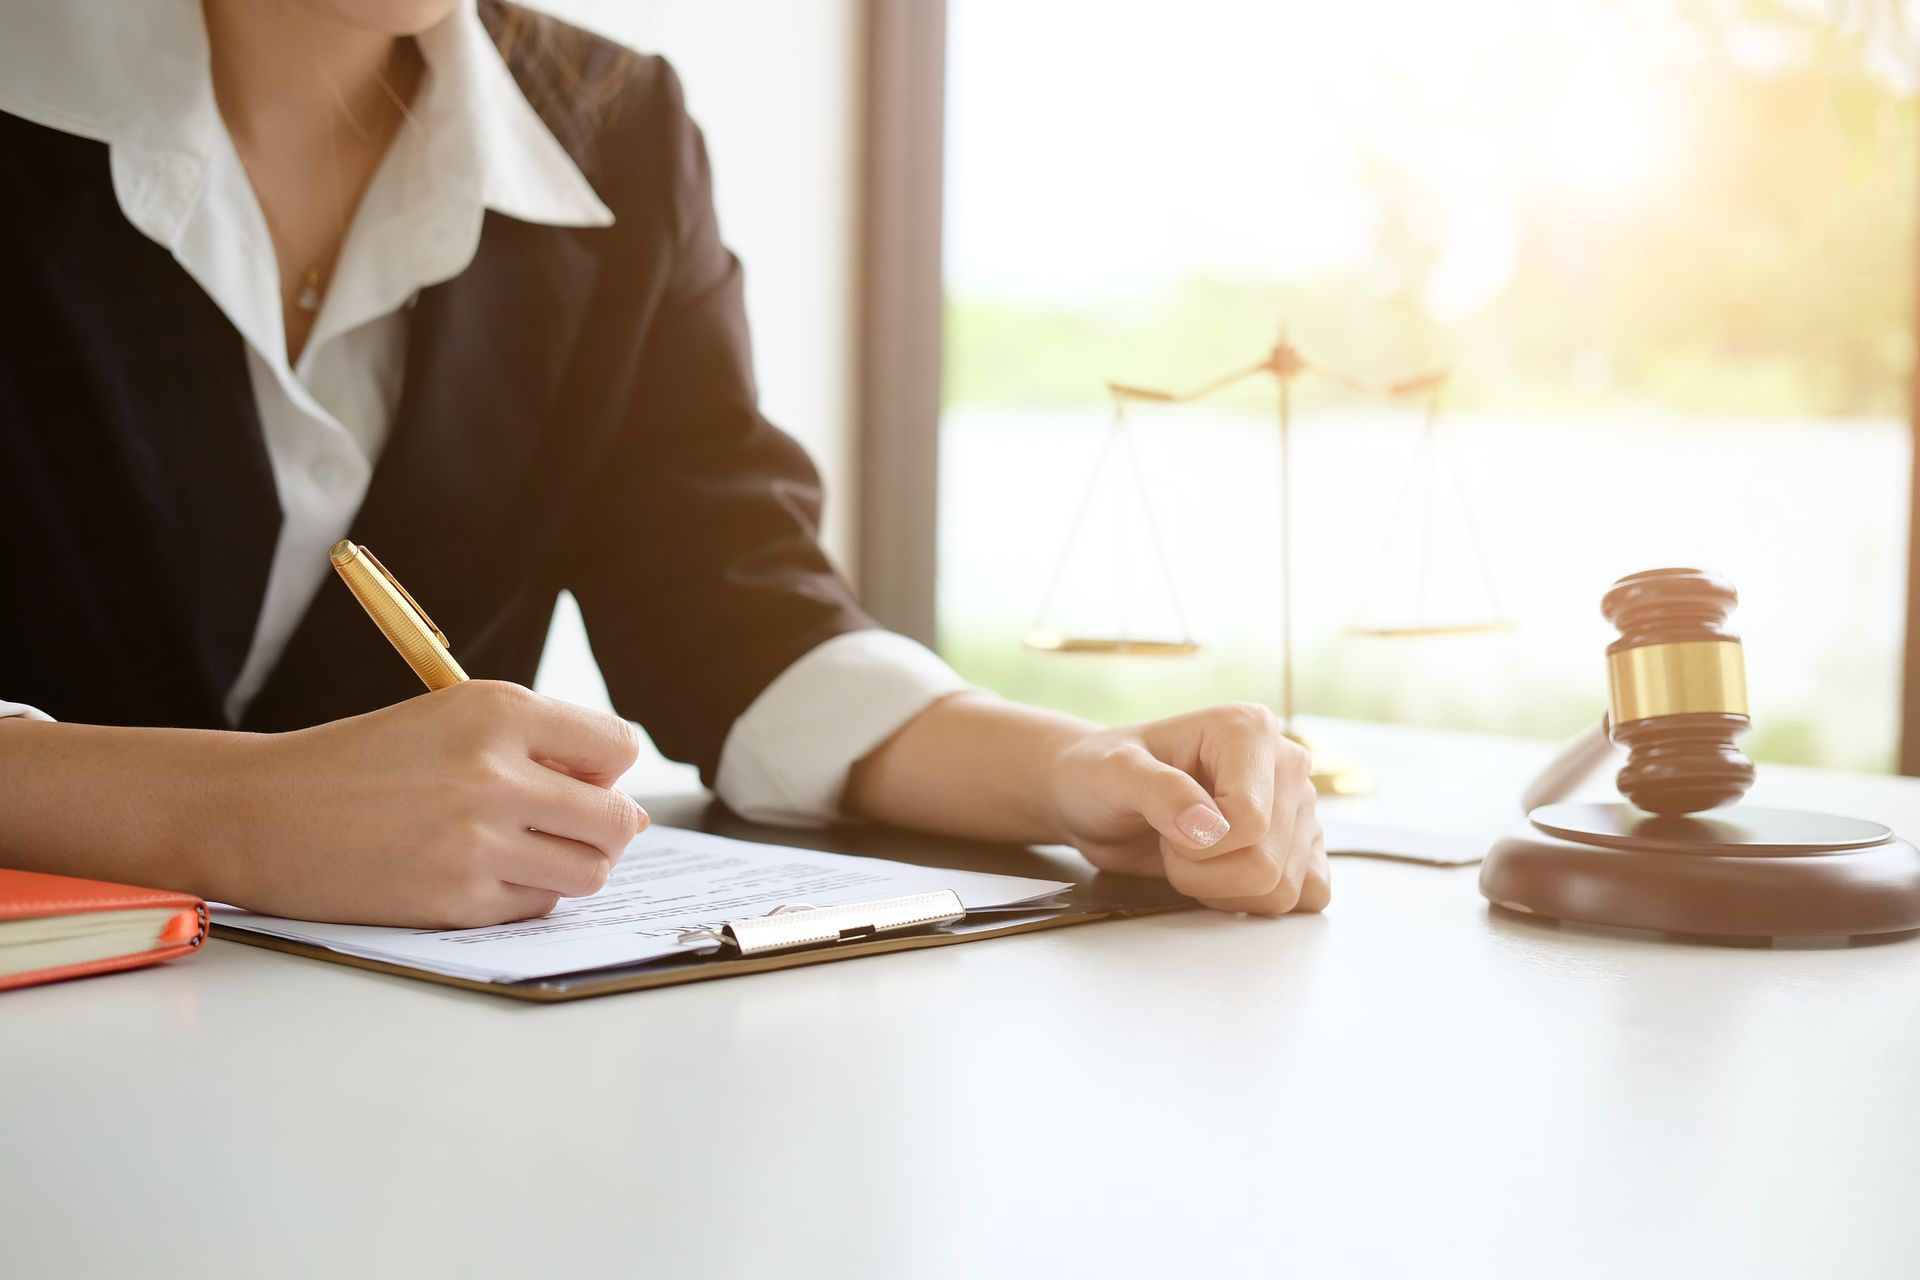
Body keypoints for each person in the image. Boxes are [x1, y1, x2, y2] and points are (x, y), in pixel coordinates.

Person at [0, 0, 1327, 928]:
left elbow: (733, 616)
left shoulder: (613, 129)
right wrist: (239, 818)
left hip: (394, 1076)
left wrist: (1077, 768)